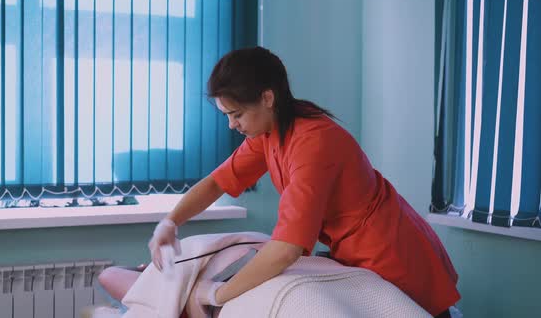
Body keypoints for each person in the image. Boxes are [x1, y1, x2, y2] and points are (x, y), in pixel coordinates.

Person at [99, 46, 460, 317]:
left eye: (236, 114)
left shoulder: (313, 142)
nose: (231, 125)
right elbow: (215, 183)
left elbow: (286, 249)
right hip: (349, 256)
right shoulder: (270, 133)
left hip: (393, 258)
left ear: (267, 98)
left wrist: (218, 297)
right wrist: (170, 222)